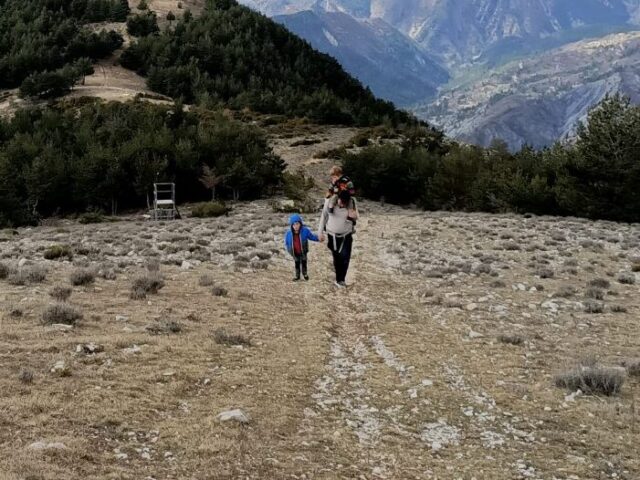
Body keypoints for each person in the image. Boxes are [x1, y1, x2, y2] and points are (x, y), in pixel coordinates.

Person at [318, 189, 359, 288]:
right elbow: (323, 216)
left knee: (345, 258)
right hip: (332, 235)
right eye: (341, 202)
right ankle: (338, 279)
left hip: (346, 235)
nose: (342, 205)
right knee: (337, 257)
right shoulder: (329, 202)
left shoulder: (351, 204)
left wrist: (353, 216)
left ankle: (341, 280)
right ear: (338, 198)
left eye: (344, 203)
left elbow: (356, 217)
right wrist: (320, 232)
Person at [284, 213, 319, 281]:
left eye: (297, 224)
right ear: (291, 225)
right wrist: (289, 250)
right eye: (294, 224)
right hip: (295, 252)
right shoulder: (288, 234)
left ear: (300, 224)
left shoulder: (305, 231)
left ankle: (305, 274)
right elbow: (287, 243)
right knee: (297, 264)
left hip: (303, 251)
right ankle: (297, 276)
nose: (296, 226)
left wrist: (318, 239)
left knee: (303, 262)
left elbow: (311, 237)